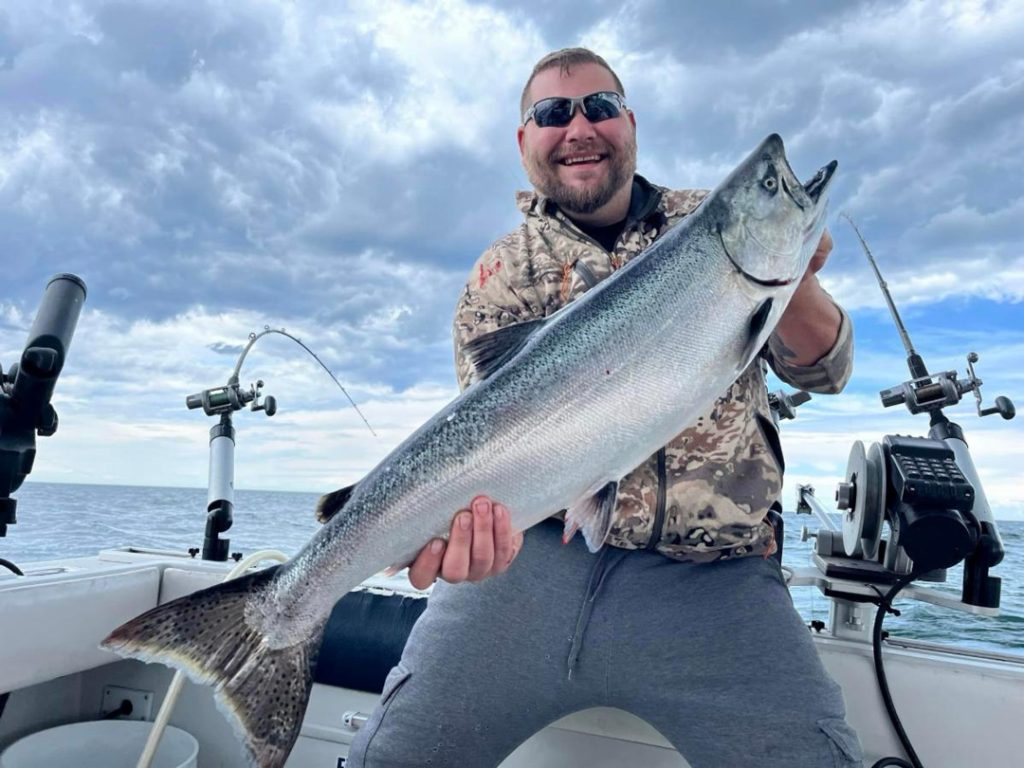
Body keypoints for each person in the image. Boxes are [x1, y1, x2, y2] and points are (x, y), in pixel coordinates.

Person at [347, 48, 862, 768]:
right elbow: (485, 442)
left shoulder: (703, 225)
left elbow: (827, 370)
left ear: (630, 123)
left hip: (715, 576)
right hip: (528, 566)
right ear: (524, 142)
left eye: (600, 106)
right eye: (552, 114)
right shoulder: (499, 276)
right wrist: (462, 528)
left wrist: (788, 269)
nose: (578, 127)